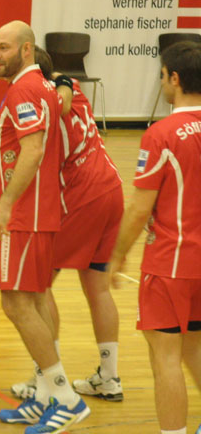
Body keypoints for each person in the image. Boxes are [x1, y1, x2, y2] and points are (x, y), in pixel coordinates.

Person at [0, 47, 124, 403]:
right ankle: (109, 377)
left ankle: (47, 380)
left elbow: (33, 139)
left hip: (81, 194)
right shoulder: (71, 88)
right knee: (97, 288)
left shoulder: (47, 99)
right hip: (111, 187)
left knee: (37, 287)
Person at [0, 21, 89, 433]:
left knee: (16, 304)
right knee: (37, 298)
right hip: (40, 212)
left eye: (4, 48)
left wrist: (4, 206)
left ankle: (66, 398)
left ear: (27, 49)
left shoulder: (25, 90)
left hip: (26, 215)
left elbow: (33, 150)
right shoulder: (41, 87)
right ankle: (45, 395)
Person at [107, 40, 201, 434]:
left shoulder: (162, 134)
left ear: (174, 78)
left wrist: (117, 255)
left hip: (171, 261)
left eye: (162, 76)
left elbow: (139, 209)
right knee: (194, 347)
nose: (161, 83)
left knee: (165, 356)